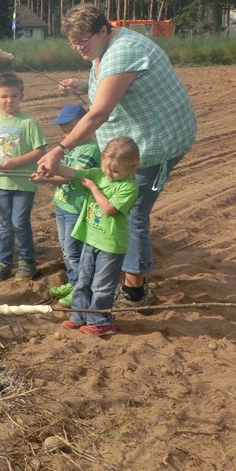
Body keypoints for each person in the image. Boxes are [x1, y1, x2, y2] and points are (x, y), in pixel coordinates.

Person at [38, 3, 197, 307]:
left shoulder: (124, 50)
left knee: (132, 213)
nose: (78, 48)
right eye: (72, 43)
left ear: (103, 30)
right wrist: (84, 83)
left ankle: (135, 291)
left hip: (154, 143)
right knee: (115, 205)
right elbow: (112, 80)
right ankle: (112, 269)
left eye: (83, 41)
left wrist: (59, 149)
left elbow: (98, 113)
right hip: (126, 142)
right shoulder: (104, 47)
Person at [54, 137, 141, 336]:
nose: (109, 174)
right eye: (105, 168)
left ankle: (101, 321)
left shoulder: (128, 187)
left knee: (101, 285)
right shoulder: (97, 174)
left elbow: (109, 209)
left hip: (111, 245)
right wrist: (53, 167)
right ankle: (79, 315)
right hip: (91, 239)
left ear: (132, 166)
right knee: (83, 280)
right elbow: (73, 173)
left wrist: (94, 188)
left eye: (116, 171)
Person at [0, 72, 48, 283]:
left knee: (19, 222)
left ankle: (27, 262)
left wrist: (15, 162)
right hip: (1, 182)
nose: (9, 101)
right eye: (4, 96)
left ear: (22, 96)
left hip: (24, 182)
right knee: (5, 224)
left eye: (14, 96)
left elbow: (40, 151)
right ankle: (3, 263)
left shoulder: (29, 123)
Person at [31, 104, 101, 305]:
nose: (66, 133)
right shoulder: (67, 147)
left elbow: (70, 176)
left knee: (73, 250)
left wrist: (45, 178)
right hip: (62, 204)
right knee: (65, 248)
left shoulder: (91, 149)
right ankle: (73, 282)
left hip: (76, 208)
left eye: (70, 128)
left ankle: (81, 288)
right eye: (64, 129)